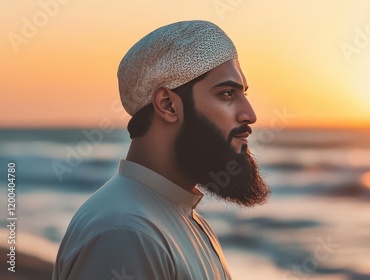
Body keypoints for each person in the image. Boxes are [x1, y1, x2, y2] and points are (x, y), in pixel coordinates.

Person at [53, 20, 271, 280]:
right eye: (226, 94)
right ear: (167, 105)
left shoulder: (182, 219)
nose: (249, 114)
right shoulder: (126, 233)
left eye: (243, 94)